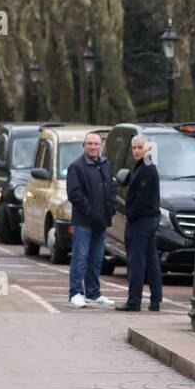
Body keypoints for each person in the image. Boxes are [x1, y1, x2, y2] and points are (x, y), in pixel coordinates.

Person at [65, 131, 116, 308]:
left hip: (101, 221)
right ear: (84, 146)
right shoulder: (76, 167)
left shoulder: (106, 164)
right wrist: (90, 210)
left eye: (96, 144)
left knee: (96, 258)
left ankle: (93, 293)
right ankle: (75, 293)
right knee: (80, 257)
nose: (93, 147)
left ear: (101, 145)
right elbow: (74, 194)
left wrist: (110, 208)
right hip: (83, 221)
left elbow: (111, 187)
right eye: (89, 144)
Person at [115, 134, 162, 312]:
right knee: (151, 260)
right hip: (148, 219)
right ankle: (155, 299)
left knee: (136, 261)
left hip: (141, 220)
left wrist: (129, 214)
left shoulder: (146, 170)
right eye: (134, 148)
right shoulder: (146, 166)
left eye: (139, 147)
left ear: (148, 147)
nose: (136, 151)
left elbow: (140, 200)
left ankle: (134, 300)